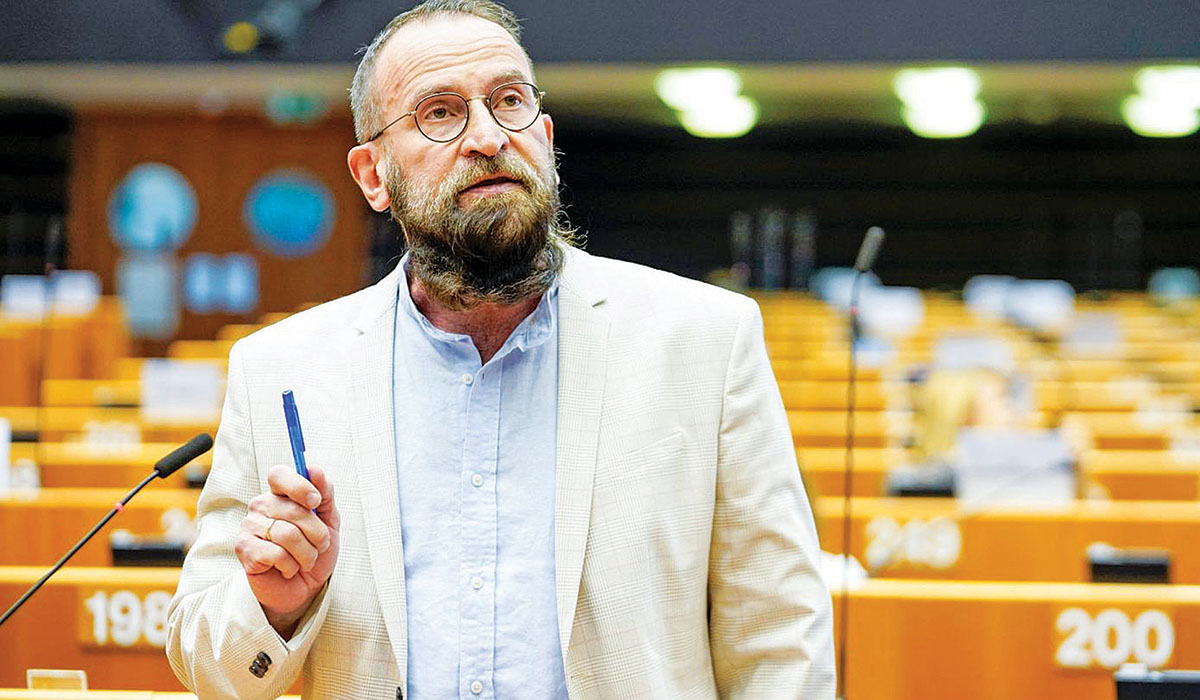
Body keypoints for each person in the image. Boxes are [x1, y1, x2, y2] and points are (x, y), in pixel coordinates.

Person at [166, 1, 834, 697]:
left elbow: (780, 641)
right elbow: (209, 668)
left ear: (544, 137)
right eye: (440, 113)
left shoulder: (707, 343)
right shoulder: (280, 371)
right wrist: (274, 606)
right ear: (372, 175)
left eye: (510, 101)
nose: (488, 137)